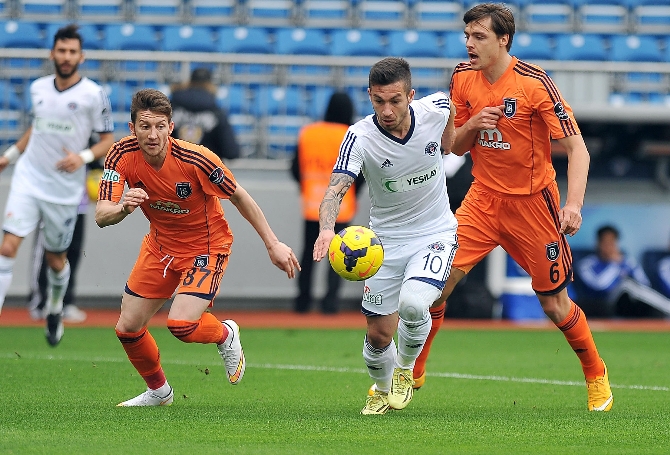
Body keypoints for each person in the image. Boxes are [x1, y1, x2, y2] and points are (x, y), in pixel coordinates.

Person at [415, 3, 614, 412]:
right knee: (435, 285)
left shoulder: (535, 83)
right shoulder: (461, 77)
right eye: (467, 36)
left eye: (479, 37)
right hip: (482, 200)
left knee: (554, 304)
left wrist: (573, 205)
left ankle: (596, 374)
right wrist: (472, 125)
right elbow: (455, 146)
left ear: (503, 39)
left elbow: (578, 149)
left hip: (533, 207)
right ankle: (411, 371)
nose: (469, 44)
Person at [95, 88, 300, 407]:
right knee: (127, 328)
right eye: (145, 126)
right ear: (132, 127)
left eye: (160, 126)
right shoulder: (119, 155)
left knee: (181, 325)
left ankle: (225, 334)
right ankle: (159, 393)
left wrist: (272, 244)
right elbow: (100, 215)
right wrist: (122, 207)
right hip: (159, 247)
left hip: (206, 248)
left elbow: (239, 196)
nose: (153, 134)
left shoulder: (197, 159)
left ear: (171, 127)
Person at [313, 57, 458, 415]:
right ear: (369, 96)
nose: (387, 109)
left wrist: (448, 143)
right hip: (384, 243)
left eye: (395, 100)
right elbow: (335, 189)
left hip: (435, 232)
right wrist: (327, 229)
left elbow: (450, 107)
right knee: (378, 336)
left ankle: (406, 370)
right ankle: (380, 389)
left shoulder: (434, 108)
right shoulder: (359, 136)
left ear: (410, 95)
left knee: (413, 303)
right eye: (379, 101)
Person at [0, 24, 114, 346]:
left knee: (56, 260)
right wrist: (9, 157)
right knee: (8, 247)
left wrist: (82, 156)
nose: (66, 57)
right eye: (61, 51)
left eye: (72, 52)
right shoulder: (37, 88)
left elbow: (108, 140)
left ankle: (54, 308)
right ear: (52, 53)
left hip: (64, 189)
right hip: (28, 177)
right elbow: (36, 128)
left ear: (81, 56)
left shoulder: (93, 94)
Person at [291, 91, 363, 314]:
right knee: (339, 255)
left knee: (308, 253)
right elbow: (359, 174)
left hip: (312, 203)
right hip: (341, 205)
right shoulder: (351, 135)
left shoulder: (308, 133)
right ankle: (330, 303)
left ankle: (302, 302)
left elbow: (295, 168)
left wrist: (306, 188)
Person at [575, 225, 670, 318]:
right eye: (606, 243)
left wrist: (624, 265)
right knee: (627, 285)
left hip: (626, 304)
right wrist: (615, 265)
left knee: (631, 286)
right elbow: (600, 287)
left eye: (612, 242)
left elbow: (644, 284)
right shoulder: (587, 264)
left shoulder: (626, 261)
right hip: (599, 303)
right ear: (598, 243)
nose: (609, 247)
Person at [27, 186, 89, 323]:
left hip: (79, 205)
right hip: (52, 203)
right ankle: (40, 302)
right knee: (47, 252)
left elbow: (95, 168)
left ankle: (66, 303)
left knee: (73, 254)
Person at [170, 67, 240, 161]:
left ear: (189, 82)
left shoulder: (170, 109)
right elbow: (231, 152)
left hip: (174, 169)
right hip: (206, 171)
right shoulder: (216, 113)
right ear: (210, 85)